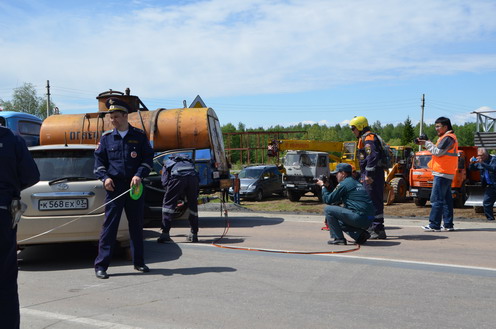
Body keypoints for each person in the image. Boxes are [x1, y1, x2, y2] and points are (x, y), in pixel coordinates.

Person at [94, 98, 154, 279]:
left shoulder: (139, 136)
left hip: (133, 186)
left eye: (117, 117)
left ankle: (139, 262)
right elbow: (99, 162)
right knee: (109, 227)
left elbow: (148, 159)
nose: (113, 120)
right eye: (111, 117)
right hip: (114, 187)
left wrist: (139, 175)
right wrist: (104, 178)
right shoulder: (106, 139)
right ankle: (101, 266)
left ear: (126, 116)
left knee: (136, 226)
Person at [0, 126, 40, 328]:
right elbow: (31, 176)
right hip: (2, 213)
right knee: (5, 279)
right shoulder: (12, 139)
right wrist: (10, 188)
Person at [416, 116, 458, 231]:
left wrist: (427, 143)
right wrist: (427, 143)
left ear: (445, 127)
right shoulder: (449, 137)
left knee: (436, 200)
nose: (436, 129)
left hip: (442, 173)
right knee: (446, 200)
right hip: (446, 172)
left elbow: (437, 152)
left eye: (438, 126)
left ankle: (434, 225)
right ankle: (448, 225)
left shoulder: (448, 138)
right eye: (436, 126)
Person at [317, 163, 375, 245]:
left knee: (328, 209)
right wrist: (328, 186)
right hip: (370, 218)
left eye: (337, 173)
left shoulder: (344, 183)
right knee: (338, 221)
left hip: (359, 217)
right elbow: (337, 197)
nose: (336, 176)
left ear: (343, 173)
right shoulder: (356, 182)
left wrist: (323, 186)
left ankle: (339, 238)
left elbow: (328, 200)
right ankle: (360, 235)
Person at [349, 116, 387, 239]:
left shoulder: (369, 138)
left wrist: (369, 175)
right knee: (371, 201)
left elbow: (372, 157)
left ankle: (376, 229)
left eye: (353, 128)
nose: (352, 131)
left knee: (373, 202)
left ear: (360, 127)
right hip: (370, 174)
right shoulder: (365, 138)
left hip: (373, 175)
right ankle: (375, 228)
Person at [157, 154, 200, 243]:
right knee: (193, 207)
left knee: (167, 207)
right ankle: (194, 234)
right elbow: (197, 178)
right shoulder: (190, 163)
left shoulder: (168, 163)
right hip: (193, 179)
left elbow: (164, 182)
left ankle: (165, 233)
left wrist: (171, 195)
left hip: (177, 178)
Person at [469, 147, 496, 221]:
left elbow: (493, 168)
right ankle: (490, 219)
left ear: (486, 154)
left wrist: (482, 163)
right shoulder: (481, 162)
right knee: (486, 203)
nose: (480, 157)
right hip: (490, 186)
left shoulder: (494, 159)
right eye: (479, 155)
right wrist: (471, 163)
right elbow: (472, 169)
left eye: (482, 155)